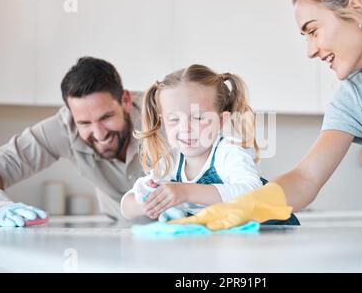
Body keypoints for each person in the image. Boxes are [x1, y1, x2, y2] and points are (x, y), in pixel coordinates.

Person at [170, 0, 362, 230]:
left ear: (357, 7)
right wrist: (243, 207)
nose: (310, 51)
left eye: (313, 31)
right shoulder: (356, 98)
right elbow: (306, 178)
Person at [120, 64, 299, 225]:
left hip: (272, 232)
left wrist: (186, 192)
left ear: (221, 121)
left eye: (198, 118)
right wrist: (148, 200)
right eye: (174, 119)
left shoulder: (228, 153)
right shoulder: (170, 161)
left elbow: (252, 193)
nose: (185, 128)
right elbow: (126, 207)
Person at [0, 57, 145, 226]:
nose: (99, 134)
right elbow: (2, 165)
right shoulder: (64, 128)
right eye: (84, 123)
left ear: (125, 100)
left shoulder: (163, 116)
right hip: (122, 232)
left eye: (106, 117)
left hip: (180, 230)